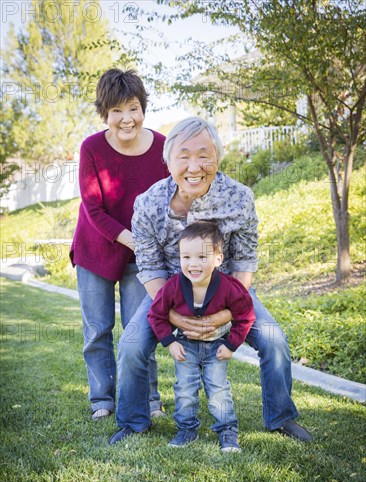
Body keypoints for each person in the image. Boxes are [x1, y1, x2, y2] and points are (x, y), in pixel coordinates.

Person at [109, 116, 312, 444]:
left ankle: (281, 417)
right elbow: (149, 267)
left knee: (274, 340)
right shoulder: (146, 204)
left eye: (204, 155)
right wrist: (175, 315)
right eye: (183, 156)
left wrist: (225, 314)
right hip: (168, 292)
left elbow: (245, 261)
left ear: (218, 157)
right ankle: (133, 422)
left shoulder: (240, 198)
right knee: (132, 344)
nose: (194, 166)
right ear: (168, 160)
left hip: (231, 289)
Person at [70, 68, 169, 420]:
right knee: (97, 330)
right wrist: (133, 239)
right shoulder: (92, 148)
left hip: (140, 256)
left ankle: (149, 399)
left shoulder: (161, 147)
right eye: (117, 111)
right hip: (96, 250)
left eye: (133, 108)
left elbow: (169, 200)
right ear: (105, 114)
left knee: (140, 328)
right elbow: (92, 207)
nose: (126, 119)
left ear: (143, 108)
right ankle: (102, 400)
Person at [147, 221, 256, 451]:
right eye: (186, 257)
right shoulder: (174, 286)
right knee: (185, 390)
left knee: (218, 390)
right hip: (186, 345)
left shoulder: (229, 287)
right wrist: (169, 341)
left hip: (217, 346)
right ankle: (186, 430)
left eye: (201, 257)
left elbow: (245, 315)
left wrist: (231, 344)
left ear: (218, 259)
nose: (193, 264)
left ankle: (228, 431)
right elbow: (156, 314)